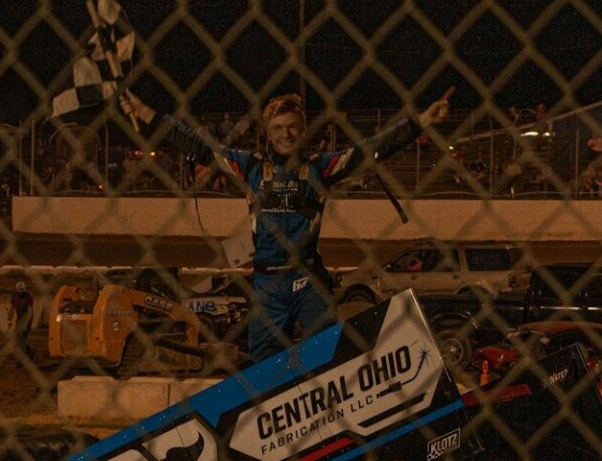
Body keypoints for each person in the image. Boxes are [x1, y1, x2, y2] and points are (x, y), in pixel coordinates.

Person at [121, 87, 450, 360]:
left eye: (292, 126)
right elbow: (197, 146)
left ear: (303, 129)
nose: (286, 134)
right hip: (268, 285)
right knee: (264, 366)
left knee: (323, 358)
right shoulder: (249, 167)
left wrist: (420, 122)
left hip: (309, 281)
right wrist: (149, 116)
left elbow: (373, 148)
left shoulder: (321, 168)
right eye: (278, 128)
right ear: (267, 132)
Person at [8, 281, 35, 359]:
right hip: (19, 319)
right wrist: (9, 320)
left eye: (23, 292)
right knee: (20, 337)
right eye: (20, 292)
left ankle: (24, 357)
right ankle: (30, 350)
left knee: (20, 337)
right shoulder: (14, 295)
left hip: (27, 319)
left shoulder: (29, 296)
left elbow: (30, 311)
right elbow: (11, 309)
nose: (21, 294)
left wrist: (27, 323)